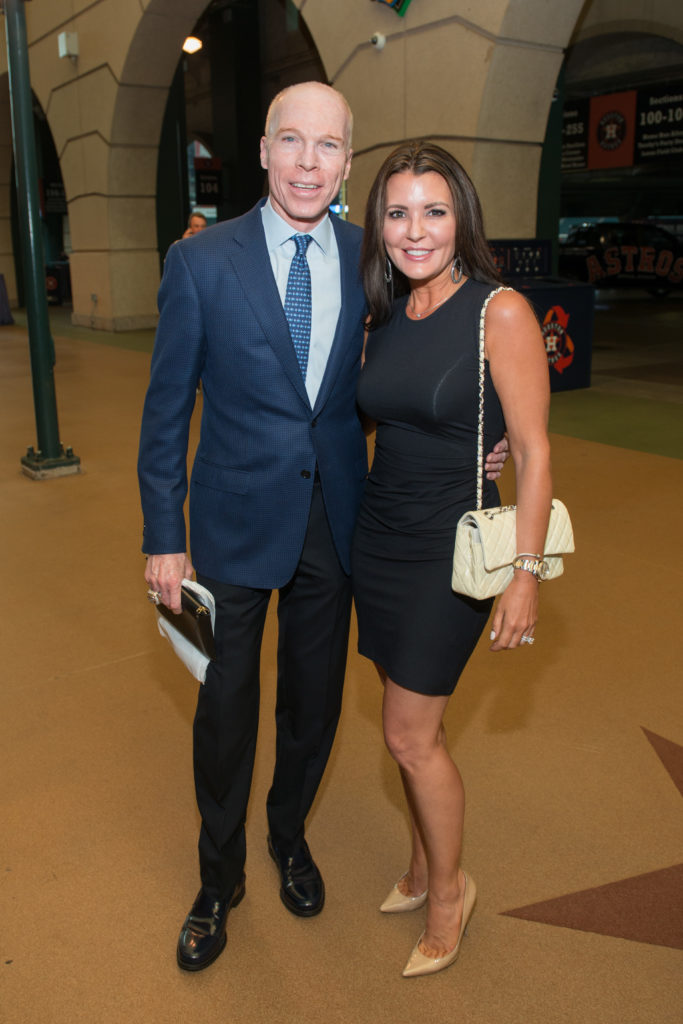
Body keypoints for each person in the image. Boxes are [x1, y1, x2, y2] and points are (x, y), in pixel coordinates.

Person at [138, 85, 507, 974]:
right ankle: (217, 878)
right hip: (229, 525)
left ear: (348, 162)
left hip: (340, 524)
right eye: (292, 142)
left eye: (328, 145)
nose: (308, 162)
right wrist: (162, 537)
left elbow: (414, 369)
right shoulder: (200, 262)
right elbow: (165, 412)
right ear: (264, 150)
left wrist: (478, 443)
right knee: (225, 711)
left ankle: (287, 836)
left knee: (313, 705)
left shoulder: (373, 258)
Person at [352, 141, 552, 978]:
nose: (415, 230)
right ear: (379, 225)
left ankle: (448, 894)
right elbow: (375, 413)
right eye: (397, 213)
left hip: (452, 551)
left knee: (409, 736)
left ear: (461, 218)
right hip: (378, 538)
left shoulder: (498, 311)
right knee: (409, 728)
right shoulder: (385, 315)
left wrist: (525, 574)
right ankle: (418, 863)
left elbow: (533, 452)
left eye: (433, 211)